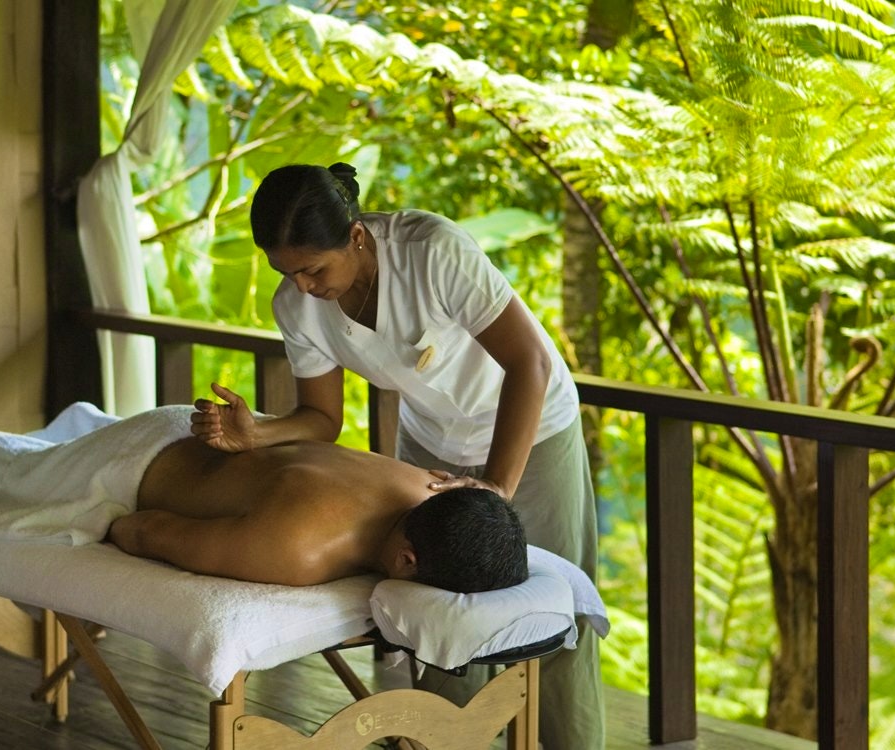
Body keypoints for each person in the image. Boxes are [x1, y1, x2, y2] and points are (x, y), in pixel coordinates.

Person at [192, 163, 603, 749]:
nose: (303, 286)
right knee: (435, 612)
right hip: (432, 443)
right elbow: (322, 420)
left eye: (313, 268)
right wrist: (256, 434)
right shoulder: (298, 306)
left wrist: (497, 491)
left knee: (555, 625)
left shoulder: (431, 251)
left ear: (357, 237)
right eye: (288, 272)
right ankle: (438, 743)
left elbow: (529, 363)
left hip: (531, 431)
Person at [109, 410, 527, 592]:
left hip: (186, 427)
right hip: (130, 461)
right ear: (406, 560)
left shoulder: (436, 487)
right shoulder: (300, 550)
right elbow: (140, 530)